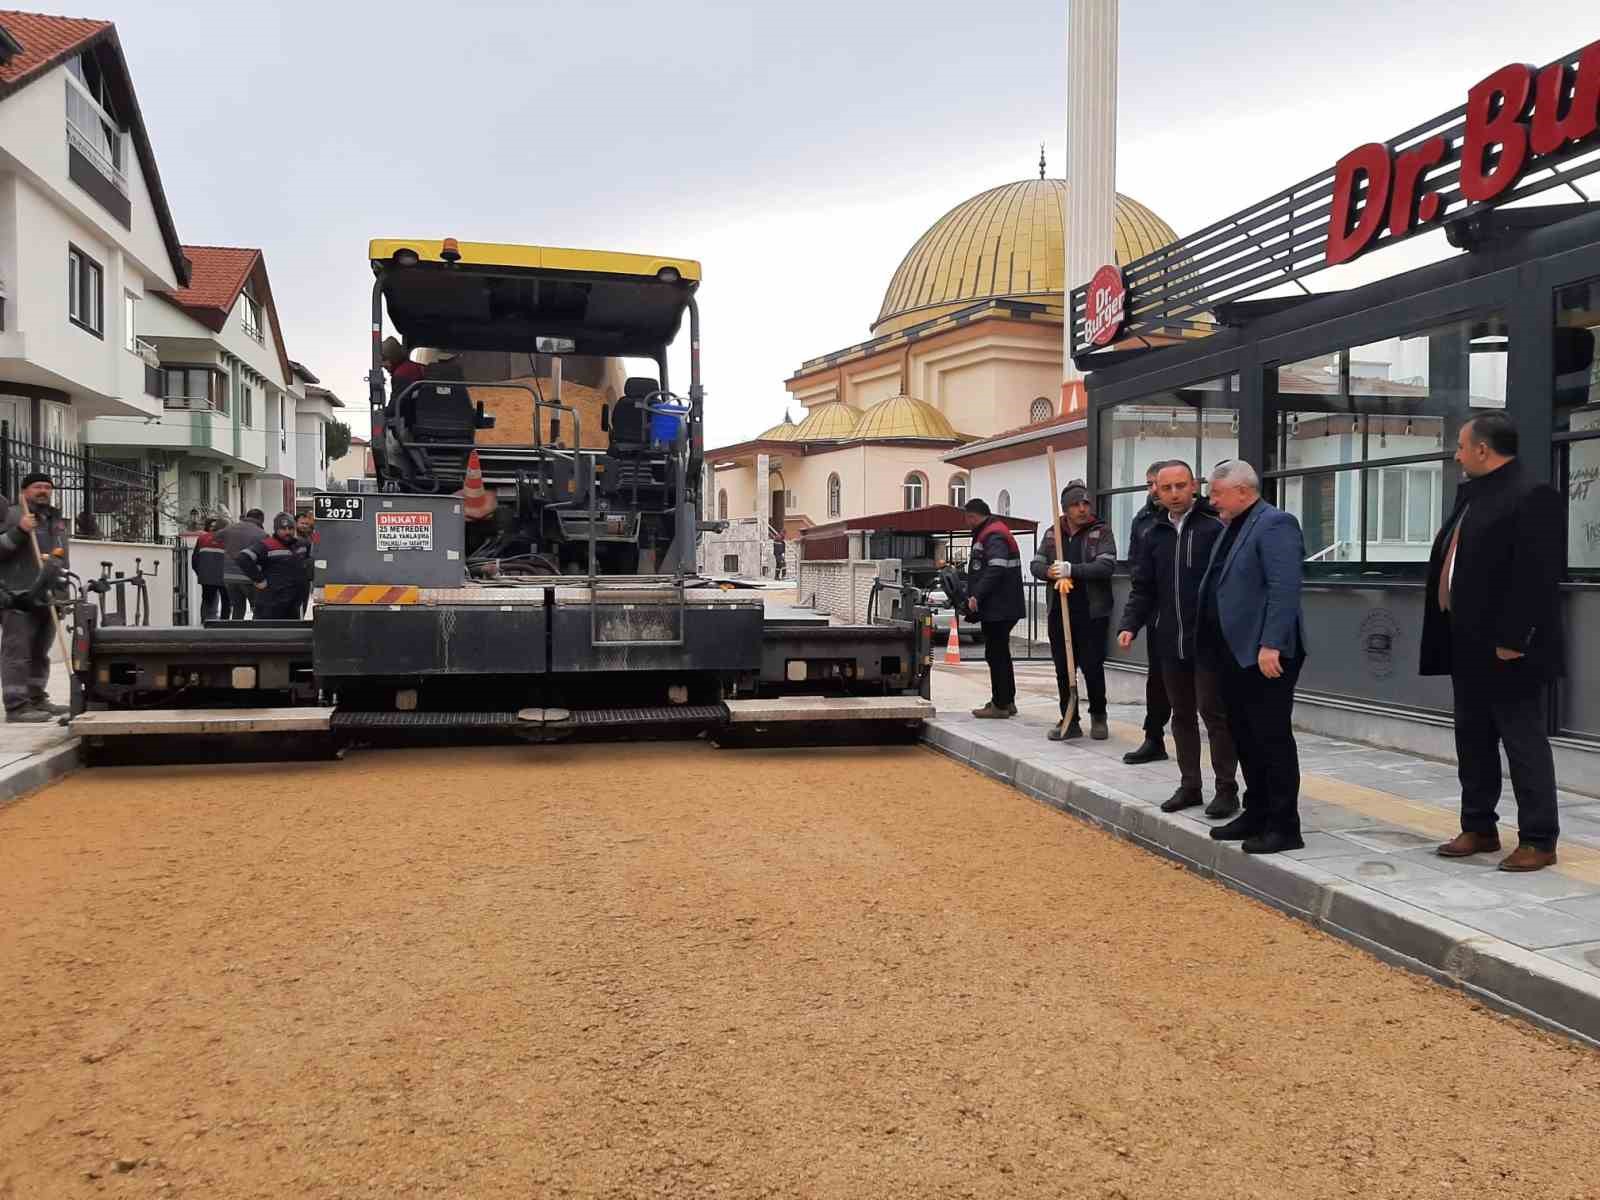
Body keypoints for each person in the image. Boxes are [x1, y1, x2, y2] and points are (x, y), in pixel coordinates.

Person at [1422, 413, 1565, 872]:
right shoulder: (1474, 495)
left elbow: (1536, 576)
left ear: (1483, 450)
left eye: (1462, 446)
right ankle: (1479, 827)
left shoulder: (1531, 495)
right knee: (1473, 739)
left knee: (1522, 742)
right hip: (1467, 644)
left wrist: (1514, 640)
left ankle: (1539, 839)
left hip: (1509, 649)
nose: (1457, 454)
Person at [1197, 460, 1308, 854]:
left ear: (1243, 491)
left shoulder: (1276, 523)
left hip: (1264, 654)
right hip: (1232, 653)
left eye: (1217, 493)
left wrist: (1271, 643)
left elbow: (1284, 587)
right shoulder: (1234, 526)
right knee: (1243, 735)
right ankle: (1256, 811)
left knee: (1271, 738)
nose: (1211, 501)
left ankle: (1284, 825)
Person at [1117, 462, 1239, 817]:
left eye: (1180, 486)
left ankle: (1226, 789)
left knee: (1214, 715)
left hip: (1209, 641)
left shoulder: (1216, 526)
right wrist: (1131, 624)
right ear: (1156, 489)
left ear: (1194, 486)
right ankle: (1190, 785)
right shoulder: (1152, 532)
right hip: (1169, 639)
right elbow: (1143, 586)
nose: (1173, 494)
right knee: (1181, 715)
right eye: (1166, 488)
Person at [1030, 480, 1115, 740]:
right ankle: (1070, 718)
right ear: (1066, 508)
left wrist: (1073, 570)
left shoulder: (1101, 532)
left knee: (1092, 666)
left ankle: (1099, 717)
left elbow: (1106, 566)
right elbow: (1035, 563)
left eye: (1085, 503)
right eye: (1076, 504)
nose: (1082, 509)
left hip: (1091, 611)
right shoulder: (1052, 533)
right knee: (1064, 668)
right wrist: (1050, 572)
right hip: (1060, 610)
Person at [0, 473, 70, 722]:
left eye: (47, 487)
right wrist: (20, 531)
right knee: (17, 654)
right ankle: (17, 707)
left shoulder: (55, 519)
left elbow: (61, 560)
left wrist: (62, 596)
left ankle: (37, 698)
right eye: (37, 486)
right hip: (18, 597)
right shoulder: (11, 515)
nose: (43, 491)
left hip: (47, 597)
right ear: (24, 490)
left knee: (41, 652)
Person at [1123, 461, 1174, 764]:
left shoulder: (1196, 519)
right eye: (1150, 484)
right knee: (1157, 680)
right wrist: (1134, 619)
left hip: (1193, 616)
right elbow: (1136, 566)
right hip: (1157, 614)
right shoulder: (1143, 520)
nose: (1155, 490)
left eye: (1162, 483)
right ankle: (1154, 737)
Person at [963, 498, 1025, 719]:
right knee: (1000, 653)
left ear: (972, 516)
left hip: (1000, 606)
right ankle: (1006, 700)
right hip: (1003, 605)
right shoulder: (994, 531)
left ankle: (1000, 705)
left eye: (967, 518)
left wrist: (976, 596)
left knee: (996, 654)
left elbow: (995, 568)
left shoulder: (992, 534)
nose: (967, 522)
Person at [237, 513, 304, 620]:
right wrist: (259, 580)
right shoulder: (266, 545)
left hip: (292, 604)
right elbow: (243, 558)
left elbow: (317, 543)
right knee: (266, 635)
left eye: (290, 528)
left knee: (290, 635)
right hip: (270, 604)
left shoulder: (300, 545)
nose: (287, 532)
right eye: (283, 529)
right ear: (276, 529)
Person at [219, 508, 267, 619]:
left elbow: (216, 537)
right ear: (260, 519)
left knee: (237, 607)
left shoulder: (231, 528)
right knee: (257, 607)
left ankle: (235, 633)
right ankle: (256, 632)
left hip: (229, 576)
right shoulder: (261, 534)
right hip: (249, 576)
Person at [192, 516, 229, 622]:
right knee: (226, 601)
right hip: (225, 576)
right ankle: (224, 625)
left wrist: (200, 573)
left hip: (206, 576)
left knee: (207, 601)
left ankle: (204, 623)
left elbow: (195, 559)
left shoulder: (202, 538)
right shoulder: (229, 539)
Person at [294, 512, 318, 617]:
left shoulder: (312, 535)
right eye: (302, 523)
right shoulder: (292, 537)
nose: (304, 526)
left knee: (303, 604)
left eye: (307, 524)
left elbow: (318, 546)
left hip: (307, 577)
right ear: (295, 523)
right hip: (294, 577)